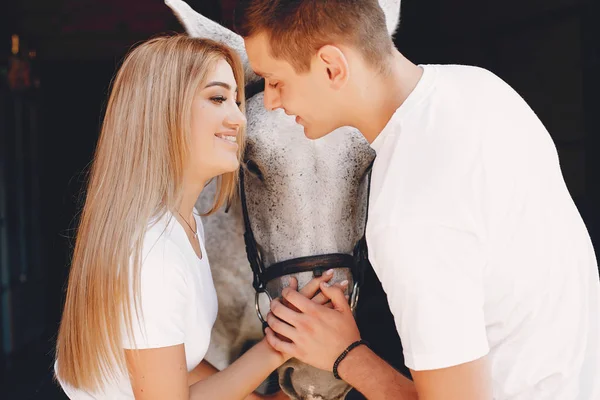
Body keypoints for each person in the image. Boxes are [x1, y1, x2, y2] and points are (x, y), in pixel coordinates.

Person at [236, 0, 600, 399]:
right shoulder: (481, 88)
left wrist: (345, 355)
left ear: (331, 67)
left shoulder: (410, 211)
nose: (269, 101)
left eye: (275, 80)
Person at [53, 34, 334, 400]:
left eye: (236, 101)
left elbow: (175, 361)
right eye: (218, 98)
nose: (238, 118)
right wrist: (278, 346)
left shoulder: (183, 225)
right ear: (161, 110)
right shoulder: (154, 255)